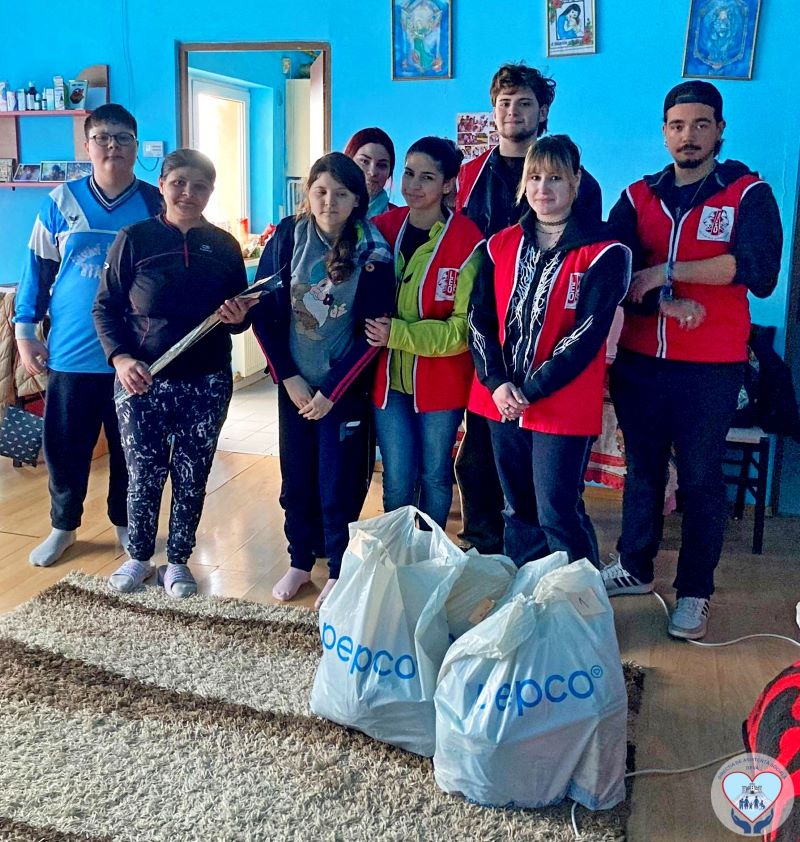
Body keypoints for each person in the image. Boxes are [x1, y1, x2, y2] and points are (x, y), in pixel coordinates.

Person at [601, 81, 782, 640]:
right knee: (643, 471)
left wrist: (668, 270)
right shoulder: (636, 196)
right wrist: (661, 296)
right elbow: (614, 273)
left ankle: (695, 591)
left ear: (719, 130)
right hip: (640, 361)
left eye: (701, 124)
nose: (689, 135)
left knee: (702, 479)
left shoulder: (749, 193)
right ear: (664, 133)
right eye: (678, 126)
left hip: (711, 366)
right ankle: (634, 565)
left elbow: (757, 269)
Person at [454, 62, 603, 555]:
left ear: (543, 111)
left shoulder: (581, 181)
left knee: (553, 492)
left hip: (551, 355)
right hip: (488, 344)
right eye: (505, 103)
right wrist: (492, 368)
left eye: (524, 103)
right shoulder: (471, 175)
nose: (513, 112)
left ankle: (563, 577)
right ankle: (488, 557)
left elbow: (584, 269)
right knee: (479, 460)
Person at [93, 149, 253, 597]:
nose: (188, 193)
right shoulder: (135, 238)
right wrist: (121, 359)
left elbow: (239, 318)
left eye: (200, 186)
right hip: (142, 381)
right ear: (162, 185)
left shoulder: (224, 246)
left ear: (210, 192)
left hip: (207, 381)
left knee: (192, 473)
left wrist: (238, 316)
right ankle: (139, 557)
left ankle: (179, 560)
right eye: (179, 183)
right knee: (142, 474)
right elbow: (104, 307)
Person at [468, 135, 629, 567]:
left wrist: (531, 390)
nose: (543, 188)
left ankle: (574, 599)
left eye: (555, 178)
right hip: (502, 399)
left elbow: (587, 334)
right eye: (535, 177)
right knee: (516, 507)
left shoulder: (605, 252)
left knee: (557, 509)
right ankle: (526, 590)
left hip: (561, 401)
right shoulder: (498, 246)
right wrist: (496, 382)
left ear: (576, 181)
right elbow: (479, 318)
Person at [13, 104, 163, 567]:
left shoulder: (155, 204)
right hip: (71, 353)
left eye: (122, 138)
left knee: (131, 449)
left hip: (135, 357)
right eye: (102, 138)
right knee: (64, 447)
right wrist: (25, 332)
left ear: (136, 147)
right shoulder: (60, 202)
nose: (112, 146)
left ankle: (125, 522)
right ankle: (63, 526)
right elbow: (36, 271)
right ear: (87, 146)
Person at [251, 152, 395, 609]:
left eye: (341, 193)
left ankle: (337, 567)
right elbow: (261, 311)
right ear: (307, 195)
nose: (329, 201)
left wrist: (332, 391)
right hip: (294, 387)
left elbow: (374, 333)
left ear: (357, 200)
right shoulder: (287, 237)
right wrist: (288, 378)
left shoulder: (373, 251)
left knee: (338, 482)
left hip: (342, 392)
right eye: (320, 191)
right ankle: (299, 560)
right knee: (296, 478)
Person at [367, 137, 484, 529]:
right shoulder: (382, 229)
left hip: (441, 385)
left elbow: (460, 331)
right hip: (387, 383)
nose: (413, 185)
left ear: (448, 183)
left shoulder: (468, 240)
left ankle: (429, 554)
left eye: (427, 177)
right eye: (408, 173)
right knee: (397, 479)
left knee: (434, 474)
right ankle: (396, 551)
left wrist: (397, 334)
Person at [344, 127, 396, 218]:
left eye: (382, 165)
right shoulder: (327, 210)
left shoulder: (400, 220)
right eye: (364, 161)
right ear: (348, 162)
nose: (372, 172)